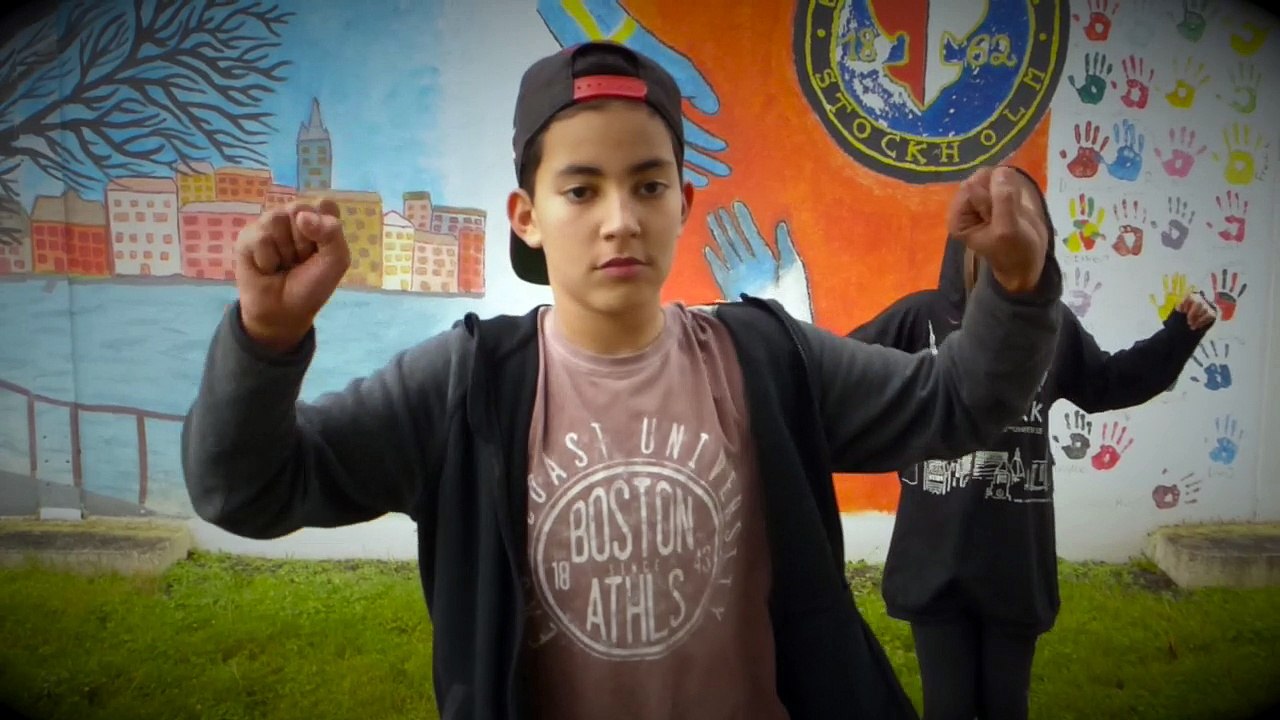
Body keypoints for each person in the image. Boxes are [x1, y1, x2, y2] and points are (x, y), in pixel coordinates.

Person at [181, 41, 1064, 719]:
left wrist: (1019, 287)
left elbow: (959, 402)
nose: (620, 220)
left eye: (648, 186)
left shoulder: (766, 361)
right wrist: (266, 338)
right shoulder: (464, 389)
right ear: (526, 217)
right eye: (581, 190)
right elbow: (248, 490)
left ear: (684, 202)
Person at [848, 167, 1216, 720]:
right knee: (947, 707)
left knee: (1006, 705)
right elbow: (847, 380)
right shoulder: (918, 318)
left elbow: (1109, 382)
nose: (1007, 224)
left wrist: (1178, 336)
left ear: (1041, 236)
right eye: (994, 211)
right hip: (934, 566)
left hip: (1014, 565)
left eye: (1023, 214)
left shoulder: (1052, 327)